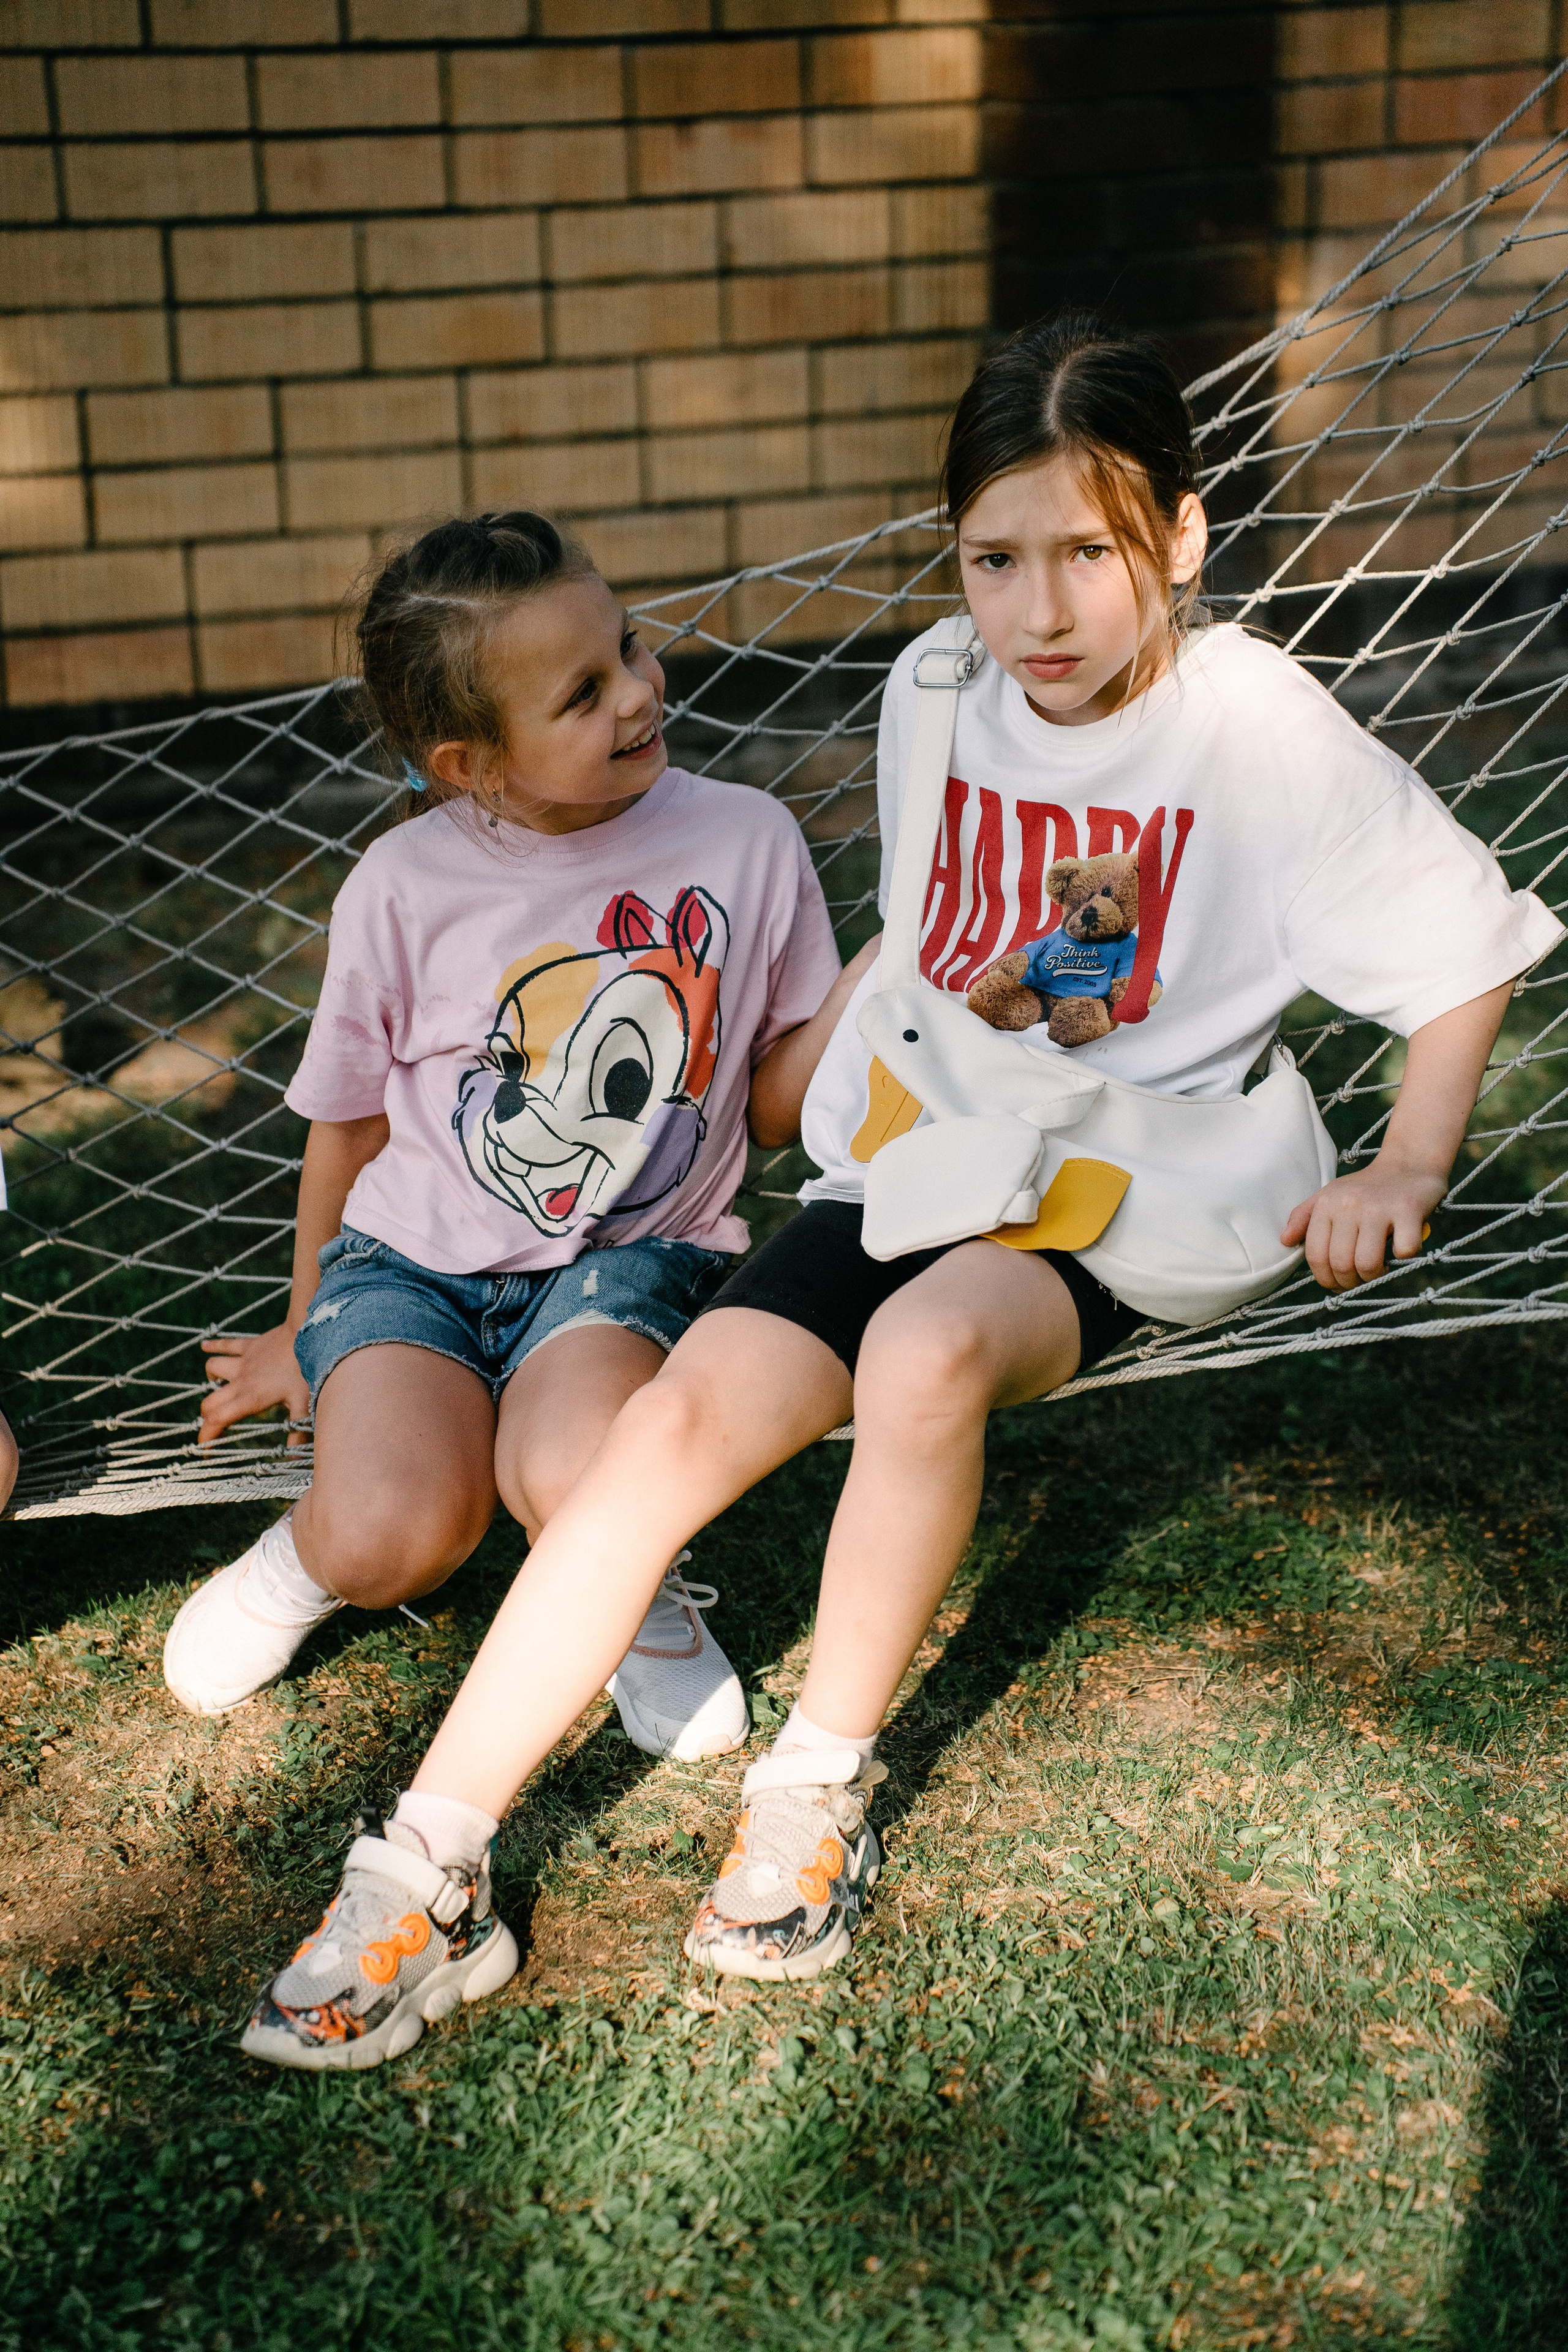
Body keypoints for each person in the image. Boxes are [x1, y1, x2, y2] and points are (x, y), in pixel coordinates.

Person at [238, 315, 1562, 2071]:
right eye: (992, 559)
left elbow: (1463, 942)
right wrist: (915, 1015)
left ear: (1180, 537)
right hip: (935, 1146)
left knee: (926, 1350)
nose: (1038, 610)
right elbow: (951, 937)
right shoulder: (935, 687)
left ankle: (811, 1792)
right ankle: (428, 1862)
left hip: (1129, 1180)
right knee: (675, 1420)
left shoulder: (1252, 724)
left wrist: (1406, 1161)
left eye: (1087, 552)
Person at [164, 509, 857, 1776]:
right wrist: (304, 1324)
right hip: (410, 1268)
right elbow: (348, 1126)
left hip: (629, 1265)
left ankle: (630, 1582)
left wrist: (869, 981)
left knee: (581, 1474)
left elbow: (770, 1110)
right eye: (582, 694)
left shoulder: (746, 839)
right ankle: (305, 1554)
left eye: (628, 648)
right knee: (392, 1536)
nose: (637, 693)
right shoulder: (400, 885)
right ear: (471, 762)